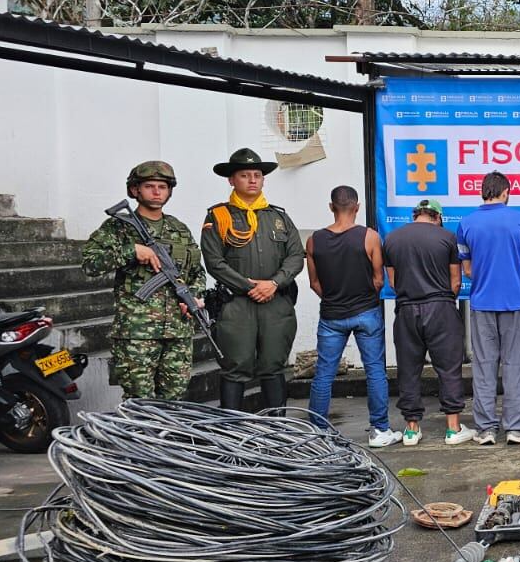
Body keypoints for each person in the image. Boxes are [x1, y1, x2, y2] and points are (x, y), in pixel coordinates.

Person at [80, 160, 206, 400]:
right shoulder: (118, 227)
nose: (157, 192)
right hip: (137, 332)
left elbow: (196, 271)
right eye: (149, 186)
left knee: (174, 401)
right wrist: (132, 251)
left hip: (178, 331)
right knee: (139, 402)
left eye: (162, 187)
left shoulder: (178, 229)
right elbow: (90, 264)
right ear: (135, 190)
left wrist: (194, 296)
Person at [201, 148, 304, 411]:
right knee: (235, 367)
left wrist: (274, 283)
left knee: (273, 365)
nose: (252, 180)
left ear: (263, 180)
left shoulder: (279, 218)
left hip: (275, 302)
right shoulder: (218, 217)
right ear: (231, 180)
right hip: (237, 304)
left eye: (257, 175)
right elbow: (214, 262)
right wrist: (249, 286)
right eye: (244, 175)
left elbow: (295, 256)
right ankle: (232, 430)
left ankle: (278, 429)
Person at [304, 186, 392, 446]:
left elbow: (314, 282)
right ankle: (380, 430)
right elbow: (379, 279)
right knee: (375, 370)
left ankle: (318, 432)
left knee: (324, 373)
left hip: (331, 315)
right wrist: (363, 296)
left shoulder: (314, 240)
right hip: (366, 312)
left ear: (331, 207)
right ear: (357, 207)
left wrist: (334, 297)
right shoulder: (370, 237)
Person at [383, 199, 472, 447]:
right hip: (441, 307)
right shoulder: (447, 237)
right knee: (449, 368)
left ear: (415, 215)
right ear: (438, 217)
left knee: (409, 369)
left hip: (406, 309)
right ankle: (453, 428)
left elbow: (393, 281)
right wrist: (444, 300)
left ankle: (411, 430)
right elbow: (456, 282)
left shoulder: (392, 239)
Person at [458, 172, 520, 445]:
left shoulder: (466, 223)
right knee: (516, 366)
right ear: (506, 192)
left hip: (482, 303)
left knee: (483, 367)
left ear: (483, 192)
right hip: (516, 303)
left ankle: (486, 429)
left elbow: (467, 269)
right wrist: (516, 282)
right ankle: (516, 428)